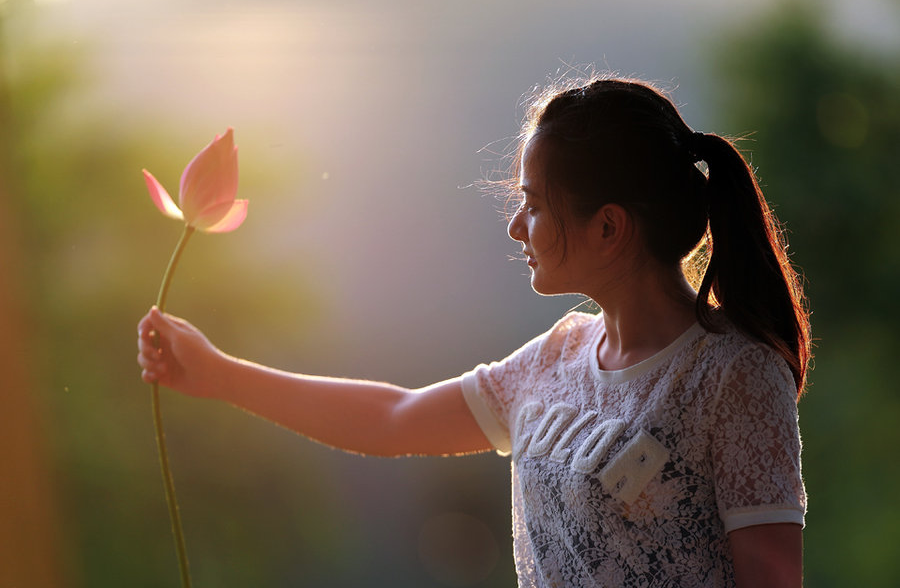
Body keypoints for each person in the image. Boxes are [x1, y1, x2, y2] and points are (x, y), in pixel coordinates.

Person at [137, 76, 811, 588]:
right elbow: (393, 419)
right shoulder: (559, 355)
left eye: (535, 205)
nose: (518, 228)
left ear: (608, 228)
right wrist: (218, 374)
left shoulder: (733, 376)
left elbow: (773, 579)